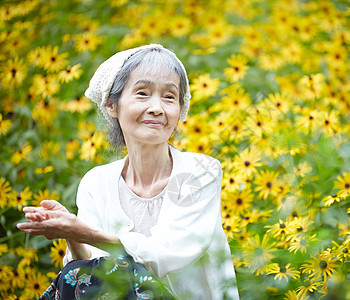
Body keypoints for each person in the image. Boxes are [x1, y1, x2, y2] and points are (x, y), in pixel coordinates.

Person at [17, 44, 239, 299]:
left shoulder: (198, 171)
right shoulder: (96, 183)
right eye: (143, 93)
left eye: (169, 96)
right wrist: (73, 236)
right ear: (112, 104)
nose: (157, 107)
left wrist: (83, 231)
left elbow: (164, 255)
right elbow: (91, 275)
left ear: (180, 109)